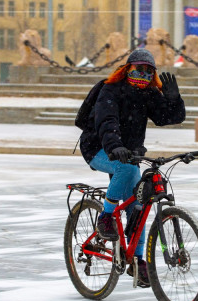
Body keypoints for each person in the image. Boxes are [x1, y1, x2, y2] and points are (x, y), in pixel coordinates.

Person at [79, 48, 185, 287]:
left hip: (130, 154)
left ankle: (138, 262)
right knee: (125, 171)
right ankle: (106, 217)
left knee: (138, 208)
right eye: (139, 69)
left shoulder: (148, 93)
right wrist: (114, 146)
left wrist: (174, 100)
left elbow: (167, 117)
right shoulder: (111, 89)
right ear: (128, 69)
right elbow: (107, 121)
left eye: (149, 71)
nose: (144, 75)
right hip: (99, 148)